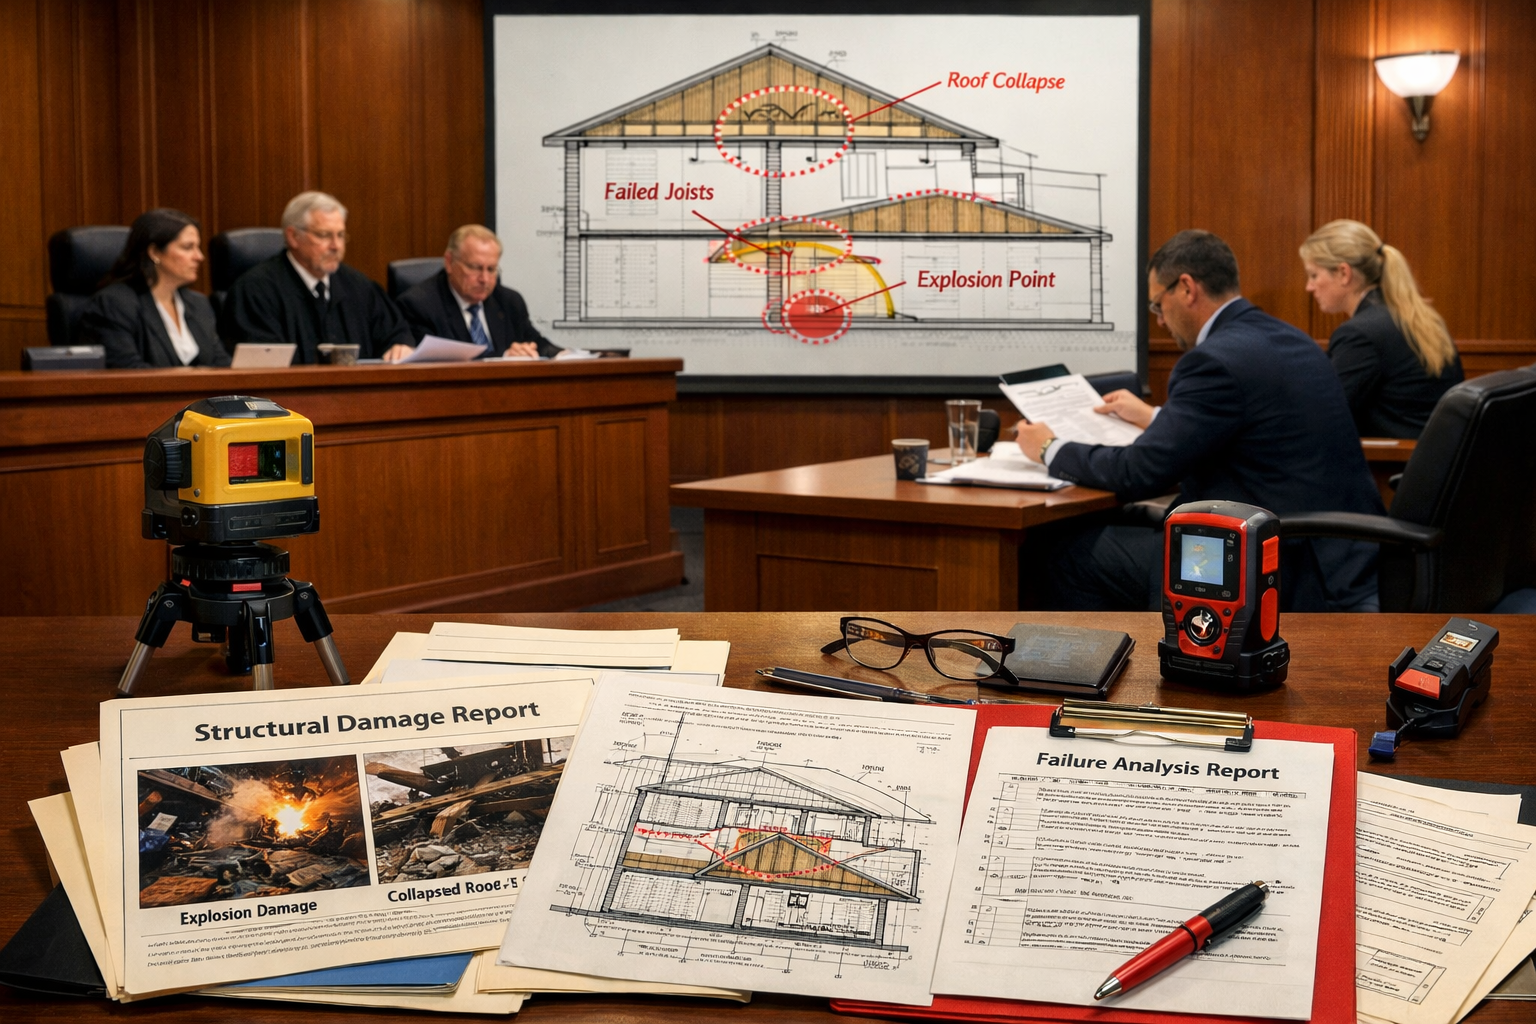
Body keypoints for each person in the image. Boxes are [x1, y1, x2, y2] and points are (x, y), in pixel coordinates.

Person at [1014, 230, 1383, 612]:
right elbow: (1246, 429)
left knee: (1067, 555)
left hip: (1277, 564)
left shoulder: (1213, 361)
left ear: (1186, 288)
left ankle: (1140, 667)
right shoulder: (1288, 337)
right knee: (1124, 523)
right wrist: (1156, 418)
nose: (1159, 322)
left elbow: (1138, 472)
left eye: (1158, 305)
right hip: (1339, 555)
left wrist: (1048, 447)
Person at [1301, 219, 1462, 438]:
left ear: (1343, 273)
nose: (1309, 287)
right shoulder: (1418, 317)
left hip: (1388, 466)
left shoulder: (1360, 334)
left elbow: (1325, 415)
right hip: (1426, 461)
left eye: (1313, 275)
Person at [218, 191, 413, 363]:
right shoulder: (255, 291)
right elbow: (260, 369)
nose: (336, 246)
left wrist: (400, 346)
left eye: (341, 235)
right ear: (293, 237)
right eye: (324, 235)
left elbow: (395, 333)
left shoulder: (359, 287)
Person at [80, 209, 230, 369]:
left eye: (198, 247)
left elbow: (222, 365)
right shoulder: (115, 304)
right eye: (187, 247)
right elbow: (126, 370)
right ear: (154, 252)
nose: (199, 257)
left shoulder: (199, 304)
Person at [395, 225, 562, 359]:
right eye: (475, 268)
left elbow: (535, 342)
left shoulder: (509, 301)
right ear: (449, 262)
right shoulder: (419, 305)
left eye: (491, 269)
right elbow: (444, 361)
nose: (485, 279)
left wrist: (562, 355)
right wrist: (504, 357)